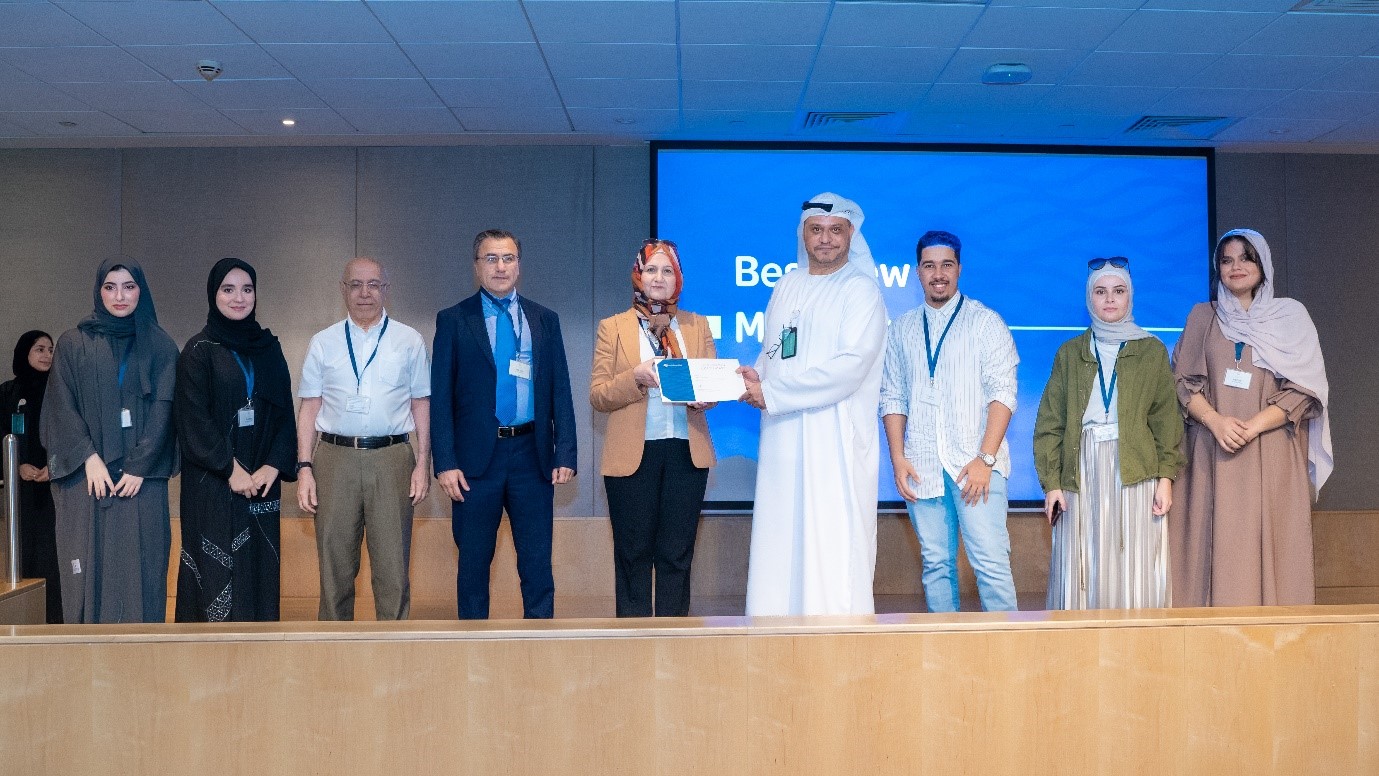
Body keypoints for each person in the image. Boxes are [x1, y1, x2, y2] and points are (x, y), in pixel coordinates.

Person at [739, 193, 888, 617]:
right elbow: (776, 350)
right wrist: (756, 377)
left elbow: (850, 367)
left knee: (831, 538)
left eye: (835, 230)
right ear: (803, 234)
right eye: (816, 230)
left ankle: (835, 636)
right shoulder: (787, 285)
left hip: (834, 438)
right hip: (783, 437)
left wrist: (774, 395)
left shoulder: (861, 290)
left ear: (850, 235)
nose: (825, 239)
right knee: (781, 533)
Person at [1170, 229, 1331, 606]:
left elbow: (1305, 390)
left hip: (1271, 452)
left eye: (1246, 258)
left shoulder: (1291, 317)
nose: (1236, 267)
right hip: (1211, 452)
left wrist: (1253, 426)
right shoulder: (1202, 316)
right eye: (1226, 260)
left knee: (1272, 554)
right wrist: (1216, 422)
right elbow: (1181, 382)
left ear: (1263, 264)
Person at [432, 229, 577, 620]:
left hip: (532, 456)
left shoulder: (544, 319)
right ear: (476, 266)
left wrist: (565, 450)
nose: (500, 267)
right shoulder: (453, 320)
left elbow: (560, 387)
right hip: (474, 463)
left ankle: (539, 643)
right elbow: (440, 397)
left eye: (508, 258)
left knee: (537, 564)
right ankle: (473, 647)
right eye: (491, 258)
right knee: (473, 565)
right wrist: (444, 462)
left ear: (519, 265)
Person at [1033, 258, 1184, 610]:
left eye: (1118, 291)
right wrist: (1052, 483)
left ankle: (1137, 640)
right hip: (1080, 469)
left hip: (1135, 469)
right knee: (1082, 563)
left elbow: (1166, 421)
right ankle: (1083, 642)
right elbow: (1050, 424)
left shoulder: (1151, 350)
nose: (1110, 299)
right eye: (1100, 292)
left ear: (1130, 296)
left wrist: (1166, 478)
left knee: (1135, 564)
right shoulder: (1070, 352)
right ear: (1089, 298)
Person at [880, 230, 1019, 613]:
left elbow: (1004, 394)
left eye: (946, 265)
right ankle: (945, 648)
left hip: (976, 467)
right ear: (918, 272)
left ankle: (1010, 647)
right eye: (929, 266)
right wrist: (898, 458)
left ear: (959, 269)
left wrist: (985, 459)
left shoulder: (985, 323)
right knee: (936, 566)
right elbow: (892, 397)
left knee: (990, 564)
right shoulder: (902, 329)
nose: (938, 274)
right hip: (922, 465)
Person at [41, 256, 179, 623]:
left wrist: (140, 466)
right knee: (87, 568)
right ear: (98, 291)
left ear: (141, 291)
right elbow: (60, 405)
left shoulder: (161, 347)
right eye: (110, 287)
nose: (120, 296)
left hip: (142, 482)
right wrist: (88, 457)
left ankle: (140, 654)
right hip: (87, 478)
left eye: (129, 287)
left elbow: (166, 410)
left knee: (143, 568)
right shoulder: (73, 344)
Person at [295, 258, 431, 621]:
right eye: (355, 284)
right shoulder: (323, 342)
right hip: (334, 458)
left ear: (386, 289)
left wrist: (423, 463)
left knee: (393, 568)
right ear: (343, 289)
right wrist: (304, 467)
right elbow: (309, 408)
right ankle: (335, 648)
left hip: (392, 458)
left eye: (373, 284)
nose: (365, 293)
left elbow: (421, 404)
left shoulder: (409, 340)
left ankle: (393, 648)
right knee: (334, 566)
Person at [590, 239, 716, 617]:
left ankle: (674, 639)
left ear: (678, 278)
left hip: (686, 452)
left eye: (667, 271)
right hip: (633, 455)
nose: (658, 278)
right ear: (638, 275)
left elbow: (711, 383)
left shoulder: (696, 325)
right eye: (651, 270)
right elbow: (598, 395)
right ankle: (634, 640)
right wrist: (636, 377)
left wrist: (707, 397)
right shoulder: (613, 327)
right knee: (633, 554)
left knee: (677, 554)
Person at [174, 258, 296, 622]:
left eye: (247, 289)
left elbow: (284, 413)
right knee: (214, 577)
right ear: (214, 295)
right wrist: (231, 469)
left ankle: (258, 656)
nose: (239, 298)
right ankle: (210, 657)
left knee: (259, 575)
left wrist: (273, 465)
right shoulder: (198, 350)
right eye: (228, 289)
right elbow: (192, 420)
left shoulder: (269, 348)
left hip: (262, 482)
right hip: (213, 483)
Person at [0, 330, 61, 622]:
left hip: (55, 490)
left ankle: (56, 621)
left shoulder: (61, 391)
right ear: (24, 352)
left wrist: (55, 466)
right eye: (40, 349)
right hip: (20, 493)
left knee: (53, 557)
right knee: (23, 555)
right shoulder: (7, 393)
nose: (47, 355)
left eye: (50, 349)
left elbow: (72, 435)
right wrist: (17, 465)